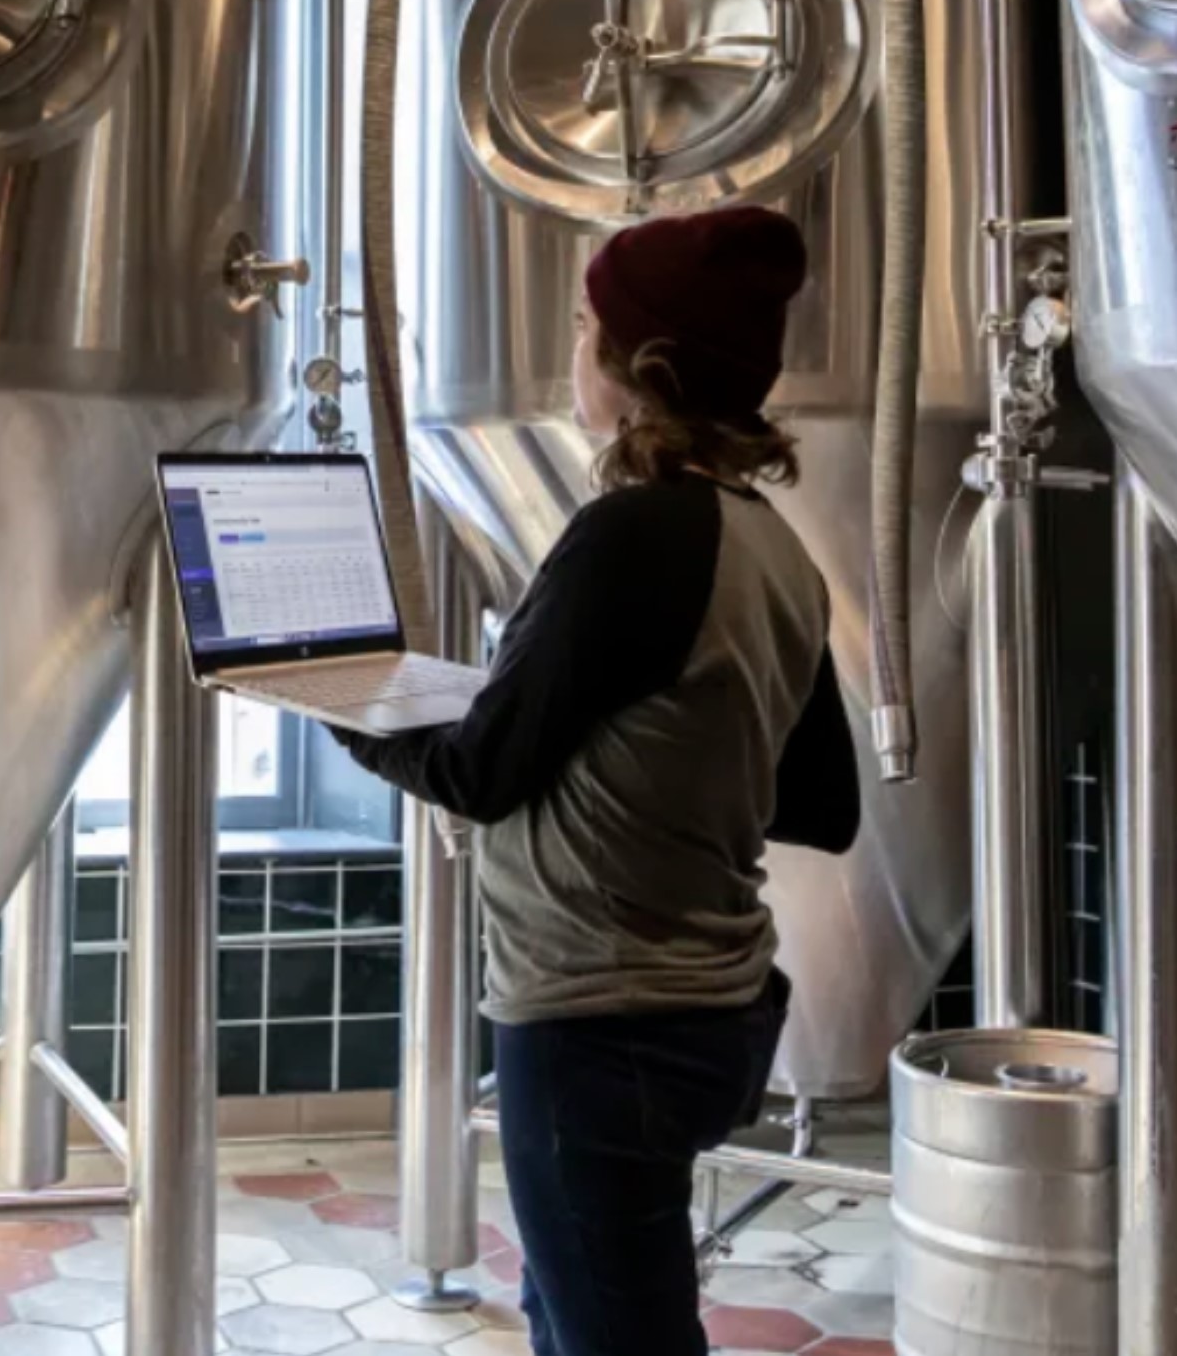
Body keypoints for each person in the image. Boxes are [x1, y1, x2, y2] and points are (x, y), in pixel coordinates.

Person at [334, 202, 862, 1356]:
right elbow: (825, 799)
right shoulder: (770, 542)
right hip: (715, 1003)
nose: (573, 350)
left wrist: (343, 707)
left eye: (587, 326)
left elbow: (477, 771)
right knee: (569, 1303)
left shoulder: (631, 534)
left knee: (618, 1332)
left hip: (599, 1021)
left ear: (641, 368)